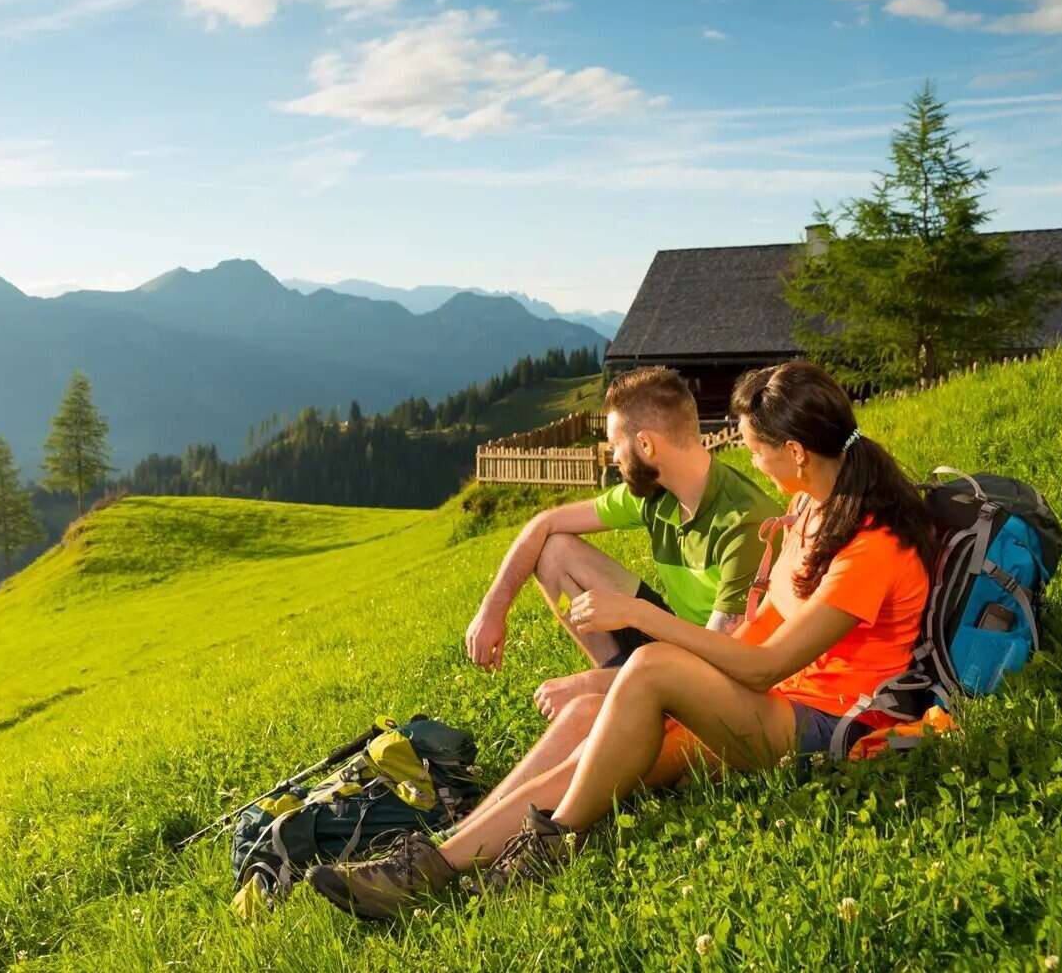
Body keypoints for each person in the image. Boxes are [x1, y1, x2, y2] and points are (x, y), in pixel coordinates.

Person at [308, 360, 934, 920]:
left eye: (755, 448)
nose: (750, 460)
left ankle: (536, 853)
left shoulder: (872, 549)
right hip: (772, 707)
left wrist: (641, 616)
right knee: (591, 714)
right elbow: (762, 630)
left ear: (795, 452)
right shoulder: (807, 514)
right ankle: (443, 857)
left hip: (822, 726)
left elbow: (765, 666)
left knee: (652, 669)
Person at [465, 366, 780, 725]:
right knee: (554, 552)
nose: (613, 457)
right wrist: (493, 608)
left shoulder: (745, 523)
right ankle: (618, 681)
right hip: (671, 639)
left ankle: (617, 692)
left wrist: (589, 685)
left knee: (591, 700)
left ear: (646, 444)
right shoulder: (655, 494)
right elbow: (545, 523)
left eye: (616, 445)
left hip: (714, 670)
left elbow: (720, 663)